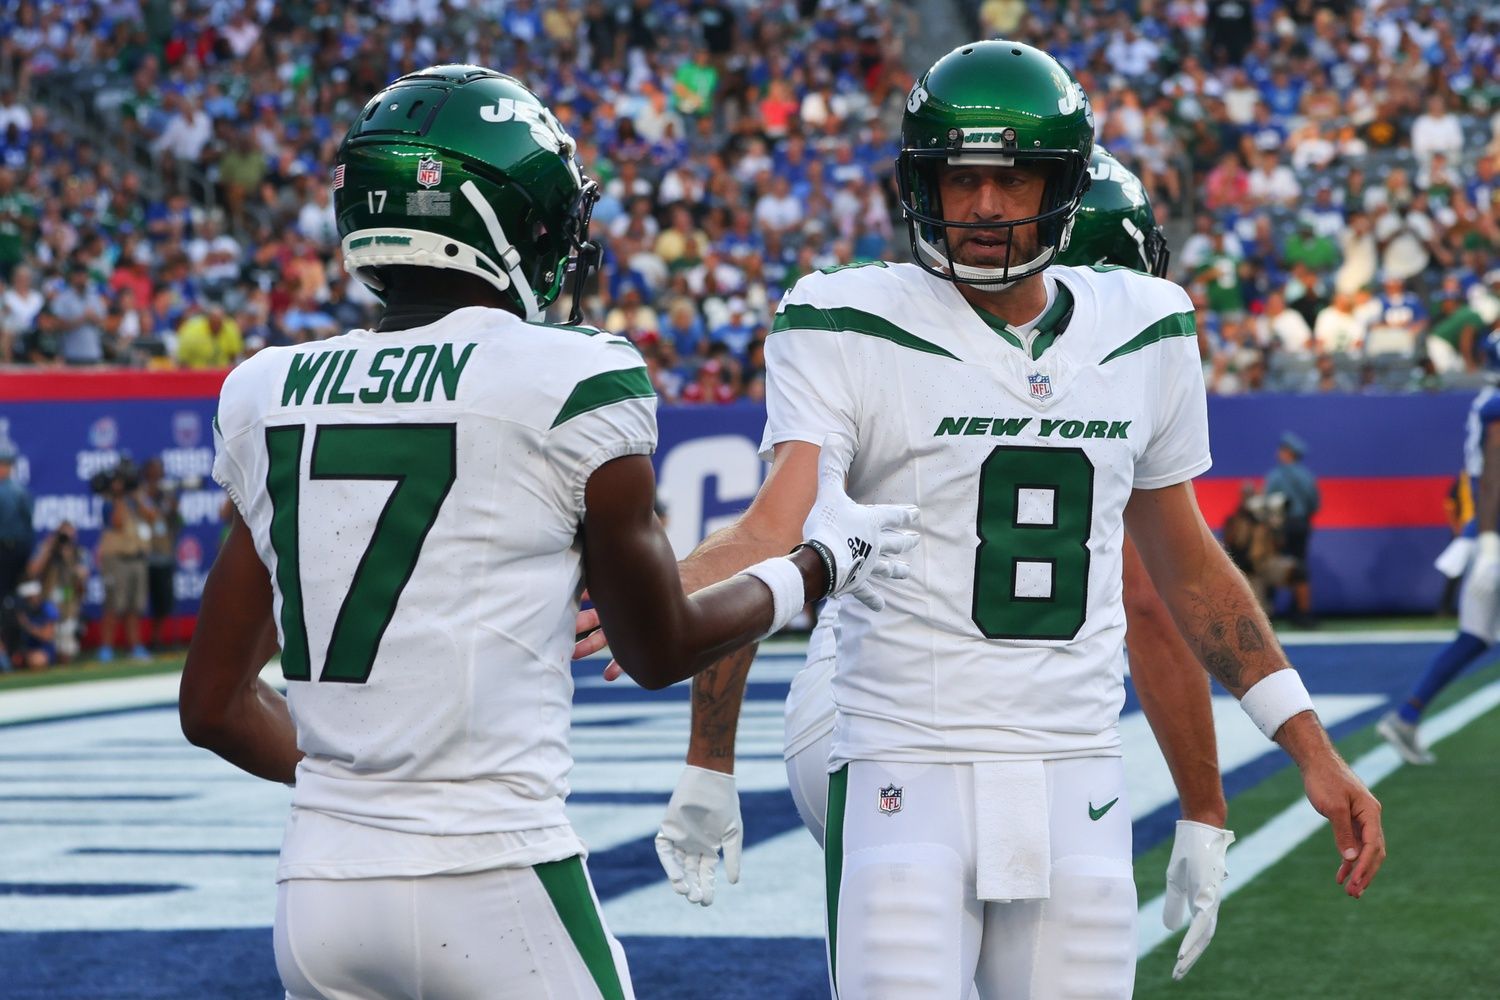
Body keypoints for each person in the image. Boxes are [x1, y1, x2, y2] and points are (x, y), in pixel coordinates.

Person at [578, 42, 1383, 999]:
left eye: (1016, 178)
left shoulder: (1148, 325)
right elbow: (774, 527)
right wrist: (662, 599)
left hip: (1074, 771)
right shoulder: (849, 318)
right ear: (922, 183)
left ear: (1066, 184)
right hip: (900, 762)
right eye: (962, 180)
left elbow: (1188, 570)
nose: (988, 207)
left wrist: (1310, 745)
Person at [177, 65, 917, 1000]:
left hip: (319, 892)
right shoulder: (570, 376)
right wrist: (819, 566)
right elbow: (659, 649)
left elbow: (211, 703)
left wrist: (363, 802)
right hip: (494, 876)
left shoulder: (263, 391)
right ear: (500, 224)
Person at [639, 147, 1236, 985]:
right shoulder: (880, 326)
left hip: (950, 727)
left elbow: (765, 546)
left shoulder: (1112, 332)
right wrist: (1203, 807)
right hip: (891, 716)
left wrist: (710, 758)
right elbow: (773, 537)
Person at [1379, 360, 1500, 764]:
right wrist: (1487, 541)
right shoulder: (1494, 406)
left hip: (1483, 533)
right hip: (1492, 535)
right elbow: (1492, 479)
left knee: (1474, 637)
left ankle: (1407, 714)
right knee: (1475, 635)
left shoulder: (1486, 401)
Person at [95, 461, 152, 662]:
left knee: (135, 606)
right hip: (116, 558)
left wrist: (136, 497)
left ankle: (135, 646)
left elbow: (152, 517)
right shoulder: (109, 500)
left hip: (137, 557)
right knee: (114, 604)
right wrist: (119, 496)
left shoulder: (137, 497)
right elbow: (117, 522)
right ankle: (106, 648)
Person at [1263, 432, 1320, 627]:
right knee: (1299, 566)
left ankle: (1267, 612)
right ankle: (1301, 614)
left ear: (1288, 453)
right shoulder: (1306, 476)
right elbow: (1314, 503)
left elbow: (1269, 503)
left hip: (1281, 526)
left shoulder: (1276, 476)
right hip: (1301, 524)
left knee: (1271, 564)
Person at [25, 520, 89, 664]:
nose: (65, 538)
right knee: (46, 651)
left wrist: (71, 561)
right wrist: (49, 548)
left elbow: (83, 585)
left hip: (69, 606)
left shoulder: (78, 553)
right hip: (48, 607)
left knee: (66, 651)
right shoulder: (47, 549)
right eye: (62, 534)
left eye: (69, 534)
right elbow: (32, 572)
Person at [0, 440, 35, 661]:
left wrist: (25, 552)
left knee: (15, 599)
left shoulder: (19, 491)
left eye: (6, 464)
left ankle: (16, 648)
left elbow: (28, 524)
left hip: (15, 551)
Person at [12, 578, 57, 671]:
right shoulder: (20, 609)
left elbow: (47, 635)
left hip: (44, 649)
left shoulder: (46, 607)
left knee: (37, 660)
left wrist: (27, 625)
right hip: (24, 649)